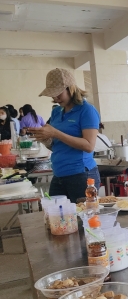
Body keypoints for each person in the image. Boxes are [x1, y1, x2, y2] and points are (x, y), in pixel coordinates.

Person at [29, 68, 100, 203]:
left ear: (70, 88)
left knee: (83, 214)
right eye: (52, 95)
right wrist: (45, 139)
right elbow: (57, 146)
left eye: (58, 93)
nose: (55, 98)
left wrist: (55, 133)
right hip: (59, 174)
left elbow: (89, 146)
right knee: (56, 213)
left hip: (81, 174)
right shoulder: (56, 112)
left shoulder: (86, 110)